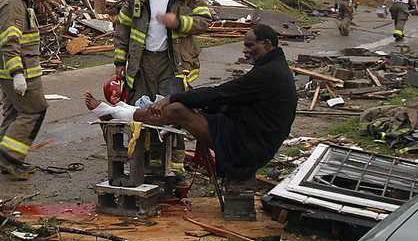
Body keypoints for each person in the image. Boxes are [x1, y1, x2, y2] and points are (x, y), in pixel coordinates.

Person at [91, 24, 297, 185]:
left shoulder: (267, 73)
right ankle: (127, 110)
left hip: (248, 145)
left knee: (177, 109)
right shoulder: (274, 67)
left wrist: (173, 98)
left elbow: (221, 93)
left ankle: (117, 112)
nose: (245, 50)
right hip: (253, 136)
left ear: (268, 44)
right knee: (190, 104)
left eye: (251, 45)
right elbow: (232, 98)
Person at [112, 0, 213, 100]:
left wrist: (179, 22)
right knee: (140, 107)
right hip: (142, 61)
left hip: (172, 61)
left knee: (170, 108)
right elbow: (123, 28)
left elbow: (204, 20)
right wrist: (120, 62)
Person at [0, 0, 47, 180]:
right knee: (35, 109)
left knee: (13, 113)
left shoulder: (14, 1)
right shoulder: (13, 4)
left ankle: (7, 158)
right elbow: (10, 41)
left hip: (13, 70)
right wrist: (18, 74)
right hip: (21, 71)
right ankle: (9, 158)